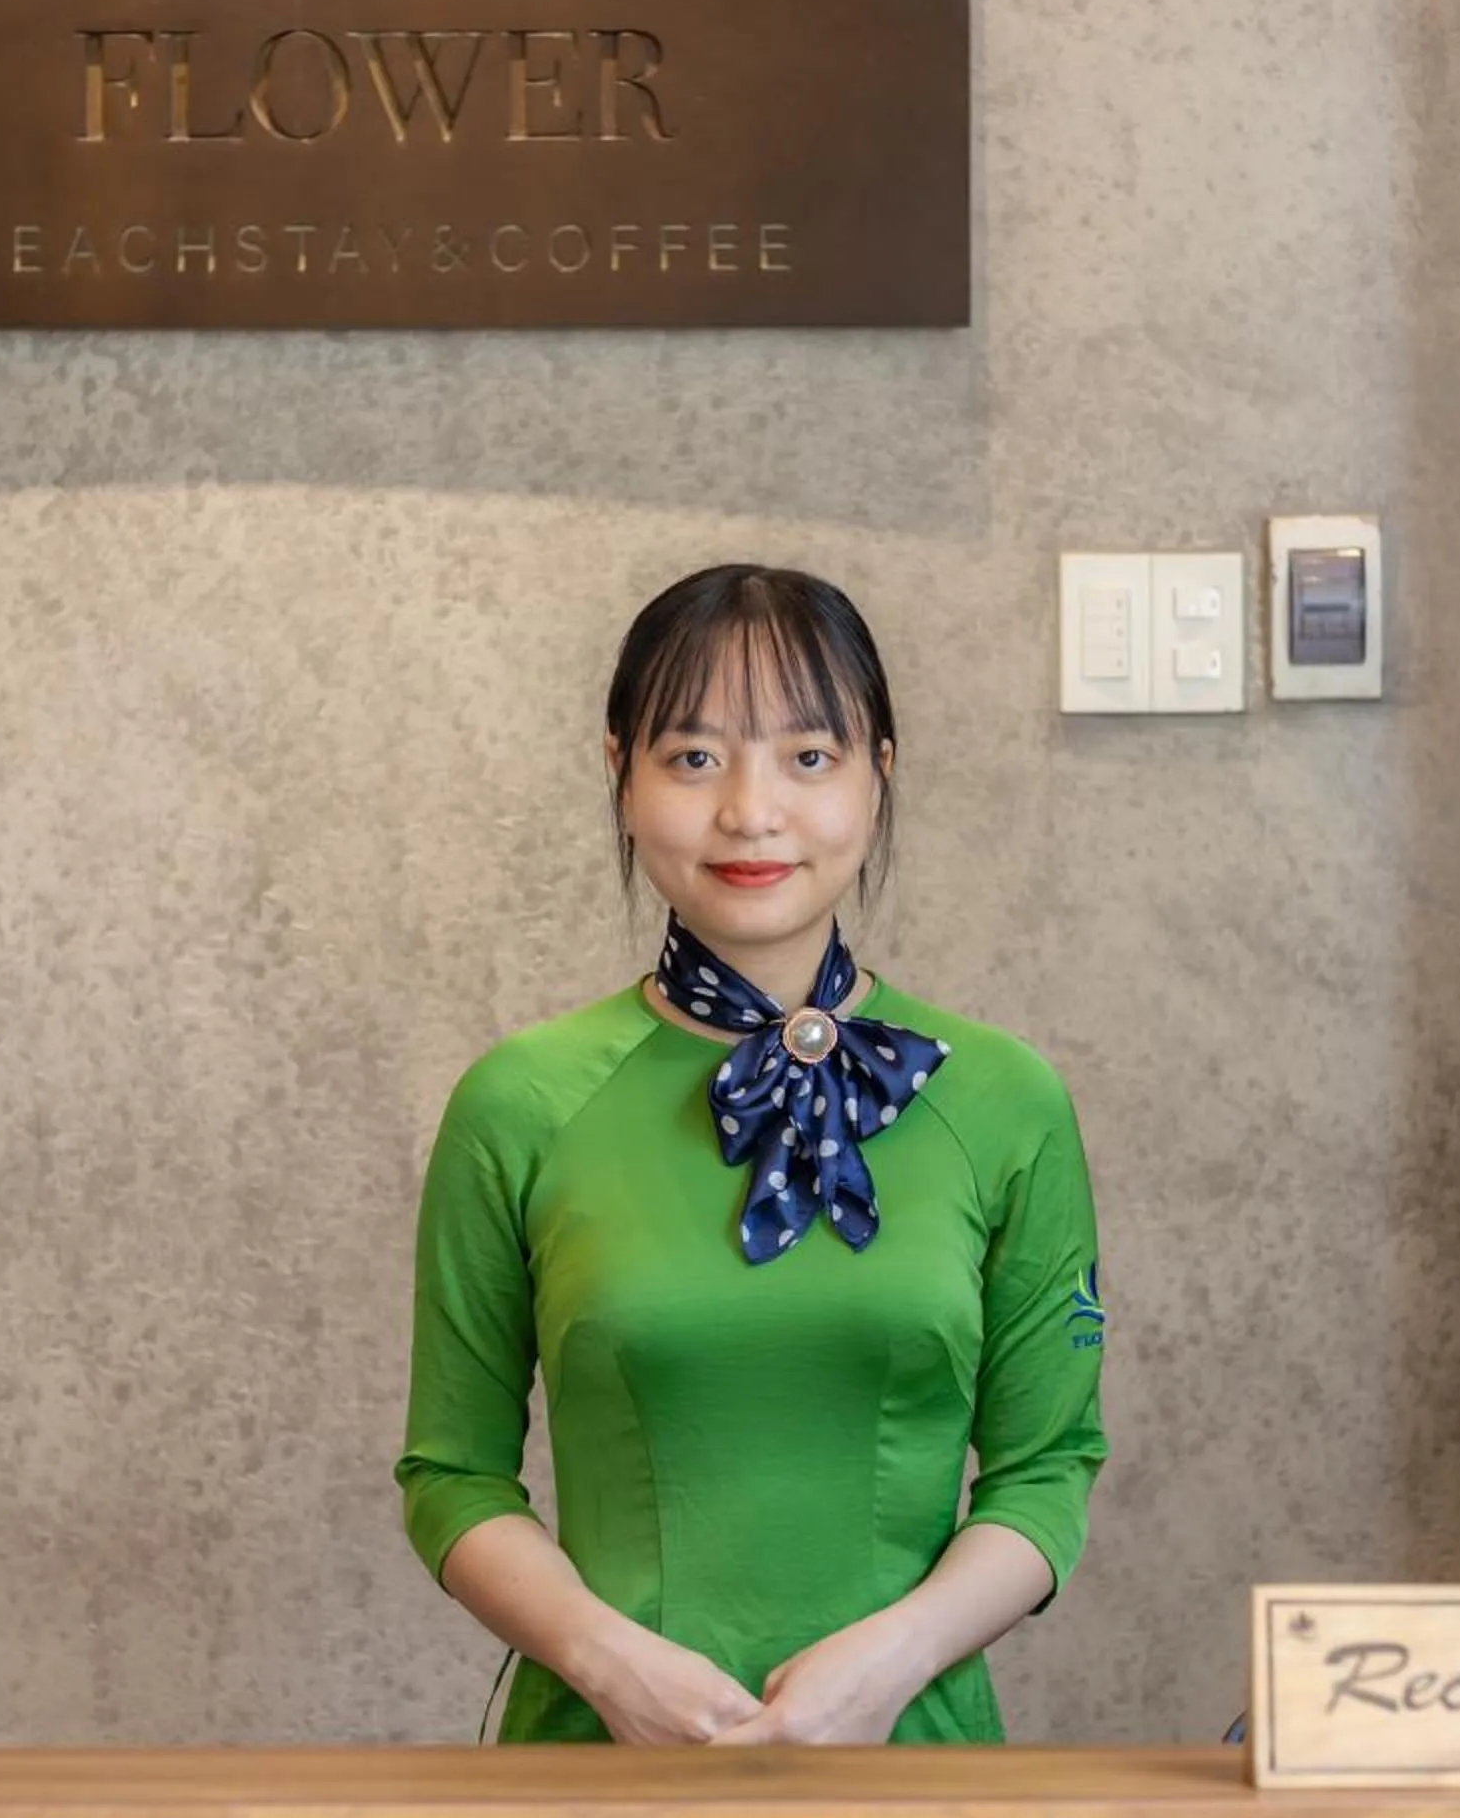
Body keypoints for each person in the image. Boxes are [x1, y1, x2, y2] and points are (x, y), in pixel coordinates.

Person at [393, 565, 1111, 1745]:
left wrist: (892, 1662)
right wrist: (610, 1663)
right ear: (617, 772)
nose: (750, 810)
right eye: (692, 756)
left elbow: (1049, 1465)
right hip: (598, 1767)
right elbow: (452, 1474)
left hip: (915, 1766)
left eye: (809, 757)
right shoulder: (518, 1100)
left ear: (882, 770)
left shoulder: (1003, 1099)